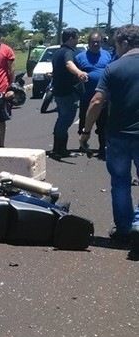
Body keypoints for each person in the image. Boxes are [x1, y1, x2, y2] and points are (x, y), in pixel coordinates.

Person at [80, 24, 139, 251]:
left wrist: (86, 132)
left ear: (124, 42)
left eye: (116, 44)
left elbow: (96, 102)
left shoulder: (113, 68)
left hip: (118, 136)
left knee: (120, 183)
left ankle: (124, 230)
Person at [49, 27, 89, 158]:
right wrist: (79, 72)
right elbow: (69, 64)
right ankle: (58, 150)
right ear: (71, 38)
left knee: (62, 119)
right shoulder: (68, 52)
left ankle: (60, 149)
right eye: (76, 38)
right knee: (65, 120)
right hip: (66, 92)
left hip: (59, 91)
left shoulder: (58, 52)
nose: (77, 41)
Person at [74, 32, 113, 159]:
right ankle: (83, 145)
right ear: (89, 43)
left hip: (103, 97)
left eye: (98, 42)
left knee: (104, 125)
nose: (95, 44)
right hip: (87, 96)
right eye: (93, 42)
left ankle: (103, 148)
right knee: (84, 122)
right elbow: (74, 75)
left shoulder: (107, 55)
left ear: (101, 42)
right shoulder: (80, 57)